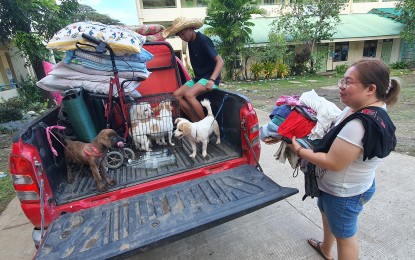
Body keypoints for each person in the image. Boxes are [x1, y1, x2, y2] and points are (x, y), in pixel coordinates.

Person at [287, 58, 400, 260]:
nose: (341, 86)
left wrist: (299, 150)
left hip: (344, 194)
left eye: (348, 82)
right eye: (342, 80)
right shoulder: (370, 108)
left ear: (370, 88)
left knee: (346, 237)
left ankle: (330, 249)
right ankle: (325, 248)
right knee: (326, 213)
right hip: (347, 187)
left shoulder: (359, 125)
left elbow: (333, 162)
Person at [163, 17, 224, 122]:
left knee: (189, 95)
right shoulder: (190, 42)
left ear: (191, 28)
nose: (182, 37)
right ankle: (194, 121)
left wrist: (212, 80)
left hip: (210, 77)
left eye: (183, 34)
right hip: (199, 78)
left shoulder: (203, 40)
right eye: (179, 36)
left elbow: (220, 61)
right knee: (176, 96)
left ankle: (205, 124)